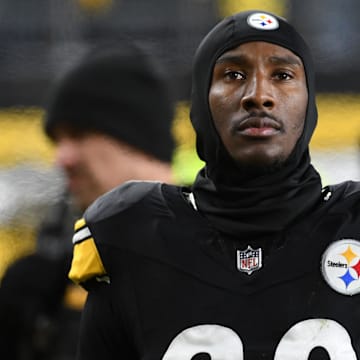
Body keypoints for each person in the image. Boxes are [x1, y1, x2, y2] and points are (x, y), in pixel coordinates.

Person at [69, 10, 360, 360]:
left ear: (309, 100)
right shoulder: (132, 235)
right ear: (200, 101)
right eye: (233, 74)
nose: (259, 95)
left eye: (282, 75)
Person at [0, 40, 175, 360]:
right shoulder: (50, 287)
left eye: (78, 135)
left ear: (135, 138)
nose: (61, 158)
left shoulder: (226, 253)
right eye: (58, 141)